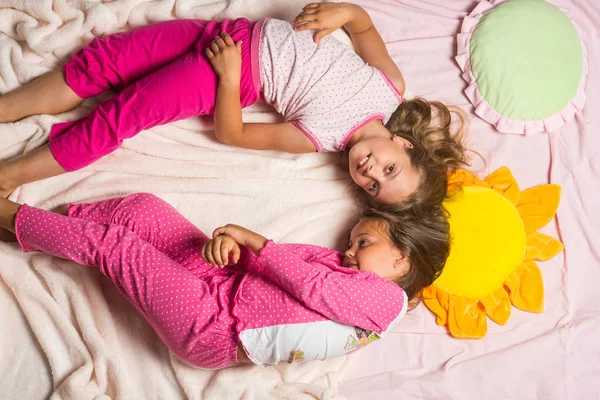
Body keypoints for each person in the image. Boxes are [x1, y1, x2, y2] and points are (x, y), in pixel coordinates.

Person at [0, 2, 467, 206]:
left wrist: (227, 77)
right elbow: (363, 29)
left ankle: (9, 176)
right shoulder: (389, 87)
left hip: (227, 73)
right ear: (403, 143)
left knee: (121, 114)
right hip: (227, 34)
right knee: (101, 61)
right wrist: (344, 13)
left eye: (370, 187)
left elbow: (234, 133)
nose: (368, 172)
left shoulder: (319, 139)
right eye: (388, 170)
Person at [0, 192, 449, 368]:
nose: (349, 251)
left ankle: (10, 216)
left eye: (363, 243)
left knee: (119, 248)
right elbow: (277, 270)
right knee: (142, 211)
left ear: (401, 260)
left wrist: (252, 238)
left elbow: (312, 288)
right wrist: (231, 249)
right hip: (222, 278)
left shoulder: (386, 302)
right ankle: (43, 228)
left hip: (213, 326)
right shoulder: (347, 267)